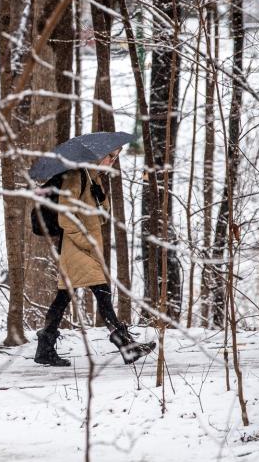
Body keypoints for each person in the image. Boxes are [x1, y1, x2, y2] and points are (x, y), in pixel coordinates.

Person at [33, 147, 156, 366]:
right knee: (102, 292)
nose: (113, 160)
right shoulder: (75, 177)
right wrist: (86, 243)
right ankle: (125, 345)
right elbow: (66, 218)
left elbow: (100, 218)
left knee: (64, 296)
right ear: (97, 156)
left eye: (116, 156)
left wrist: (100, 198)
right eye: (110, 155)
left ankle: (45, 347)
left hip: (84, 248)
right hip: (77, 248)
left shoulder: (93, 178)